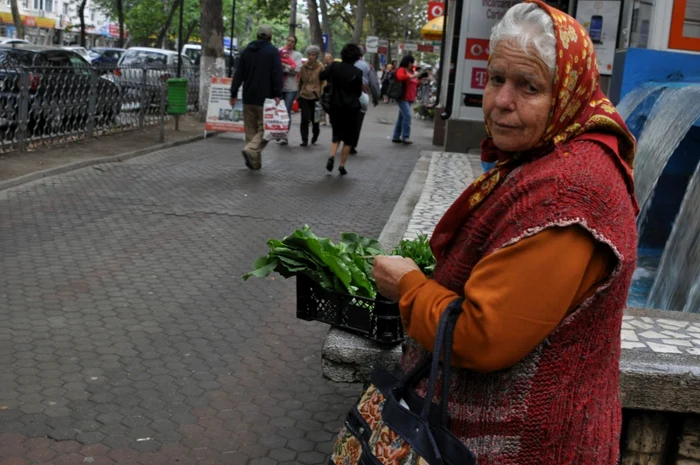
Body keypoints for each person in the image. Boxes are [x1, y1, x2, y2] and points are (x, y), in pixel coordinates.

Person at [370, 1, 639, 463]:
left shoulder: (571, 192)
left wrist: (410, 288)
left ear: (568, 93)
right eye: (497, 79)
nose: (501, 101)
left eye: (528, 86)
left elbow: (482, 334)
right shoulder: (549, 156)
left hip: (530, 448)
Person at [230, 25, 283, 171]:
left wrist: (233, 93)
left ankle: (255, 164)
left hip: (248, 97)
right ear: (270, 37)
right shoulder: (272, 52)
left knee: (251, 131)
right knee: (267, 130)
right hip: (265, 99)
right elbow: (277, 73)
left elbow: (238, 73)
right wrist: (278, 94)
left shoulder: (247, 51)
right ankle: (252, 150)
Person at [319, 43, 363, 176]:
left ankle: (332, 155)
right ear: (356, 57)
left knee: (336, 133)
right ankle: (342, 165)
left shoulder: (334, 66)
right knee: (348, 138)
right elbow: (358, 93)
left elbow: (322, 76)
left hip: (335, 106)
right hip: (351, 108)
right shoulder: (357, 72)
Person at [351, 46, 380, 155]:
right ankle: (352, 145)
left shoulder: (346, 64)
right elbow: (373, 83)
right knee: (357, 121)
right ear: (362, 54)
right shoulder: (367, 66)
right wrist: (376, 98)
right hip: (361, 96)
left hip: (345, 96)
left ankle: (342, 141)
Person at [391, 55, 425, 145]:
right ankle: (405, 137)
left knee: (402, 117)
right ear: (407, 62)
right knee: (407, 116)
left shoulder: (410, 71)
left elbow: (414, 84)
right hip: (403, 97)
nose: (412, 64)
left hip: (409, 97)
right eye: (411, 62)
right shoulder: (401, 69)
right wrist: (414, 76)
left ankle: (396, 136)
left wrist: (419, 80)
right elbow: (401, 77)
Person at [298, 45, 325, 147]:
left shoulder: (320, 67)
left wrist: (320, 92)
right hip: (304, 95)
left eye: (313, 55)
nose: (310, 57)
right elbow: (300, 81)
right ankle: (304, 139)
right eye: (309, 54)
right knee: (304, 118)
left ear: (316, 56)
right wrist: (298, 94)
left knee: (315, 119)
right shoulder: (303, 67)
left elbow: (323, 81)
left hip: (315, 95)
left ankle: (315, 133)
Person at [279, 35, 303, 146]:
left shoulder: (297, 55)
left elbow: (296, 69)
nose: (290, 43)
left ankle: (284, 135)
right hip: (279, 86)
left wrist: (284, 66)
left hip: (290, 88)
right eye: (288, 40)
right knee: (278, 111)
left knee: (286, 111)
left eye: (292, 41)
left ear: (295, 44)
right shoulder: (280, 51)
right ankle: (278, 132)